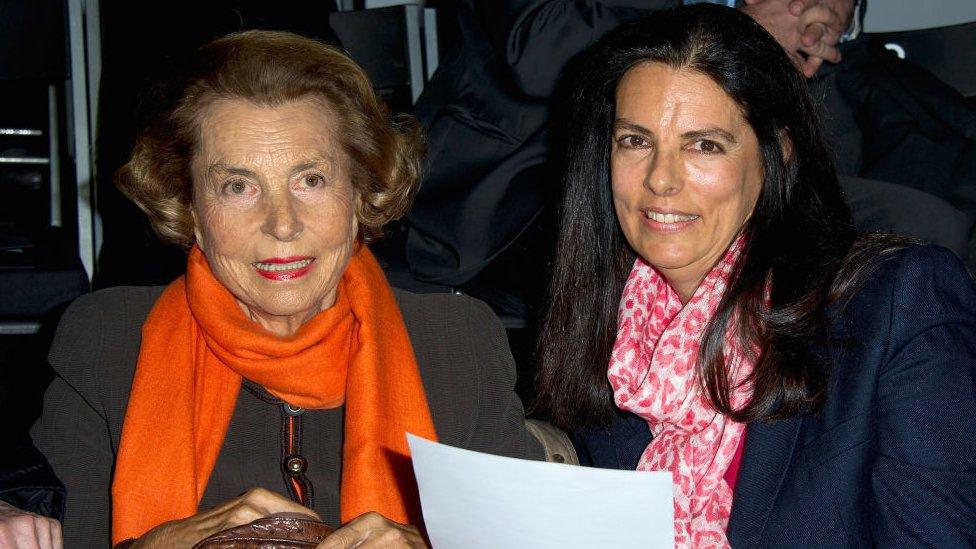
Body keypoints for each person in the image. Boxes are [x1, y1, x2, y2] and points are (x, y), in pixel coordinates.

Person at [21, 30, 549, 548]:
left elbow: (527, 538)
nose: (281, 224)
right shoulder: (107, 338)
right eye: (237, 186)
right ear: (190, 210)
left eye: (310, 180)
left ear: (361, 192)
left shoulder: (458, 342)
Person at [533, 5, 976, 548]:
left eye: (705, 145)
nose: (660, 180)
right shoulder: (604, 339)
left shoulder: (895, 306)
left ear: (778, 152)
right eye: (635, 141)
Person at [401, 0, 970, 320]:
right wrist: (730, 16)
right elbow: (537, 44)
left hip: (728, 142)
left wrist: (824, 12)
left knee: (924, 226)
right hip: (532, 182)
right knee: (671, 223)